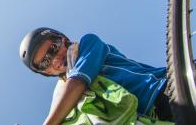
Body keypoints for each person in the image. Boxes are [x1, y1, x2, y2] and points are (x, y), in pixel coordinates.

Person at [19, 27, 174, 124]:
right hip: (147, 118)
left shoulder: (87, 44)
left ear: (63, 39)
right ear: (46, 72)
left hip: (160, 92)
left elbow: (78, 82)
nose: (54, 59)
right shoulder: (60, 99)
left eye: (53, 48)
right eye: (45, 62)